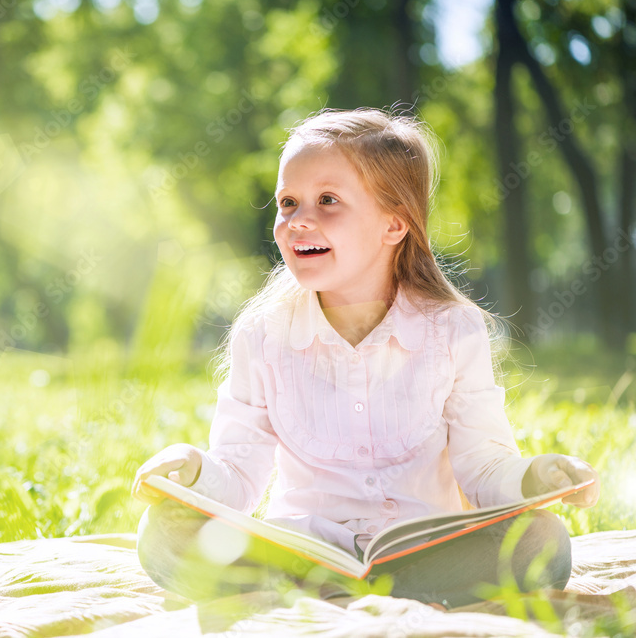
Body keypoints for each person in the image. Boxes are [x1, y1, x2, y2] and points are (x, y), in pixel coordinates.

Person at [130, 107, 600, 608]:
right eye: (287, 202)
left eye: (327, 200)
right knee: (162, 534)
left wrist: (538, 476)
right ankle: (342, 589)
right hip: (299, 551)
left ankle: (333, 597)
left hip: (424, 550)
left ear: (394, 224)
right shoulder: (262, 335)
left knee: (543, 542)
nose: (297, 220)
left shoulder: (453, 331)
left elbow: (484, 469)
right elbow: (239, 475)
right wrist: (190, 469)